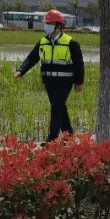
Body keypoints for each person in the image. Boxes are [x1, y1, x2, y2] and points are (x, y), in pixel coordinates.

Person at [14, 9, 84, 142]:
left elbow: (79, 64)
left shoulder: (71, 43)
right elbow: (32, 58)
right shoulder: (43, 42)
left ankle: (52, 139)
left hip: (65, 82)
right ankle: (69, 135)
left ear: (58, 26)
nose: (46, 26)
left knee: (56, 106)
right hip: (49, 82)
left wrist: (79, 82)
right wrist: (21, 70)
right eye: (46, 23)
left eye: (49, 23)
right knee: (59, 107)